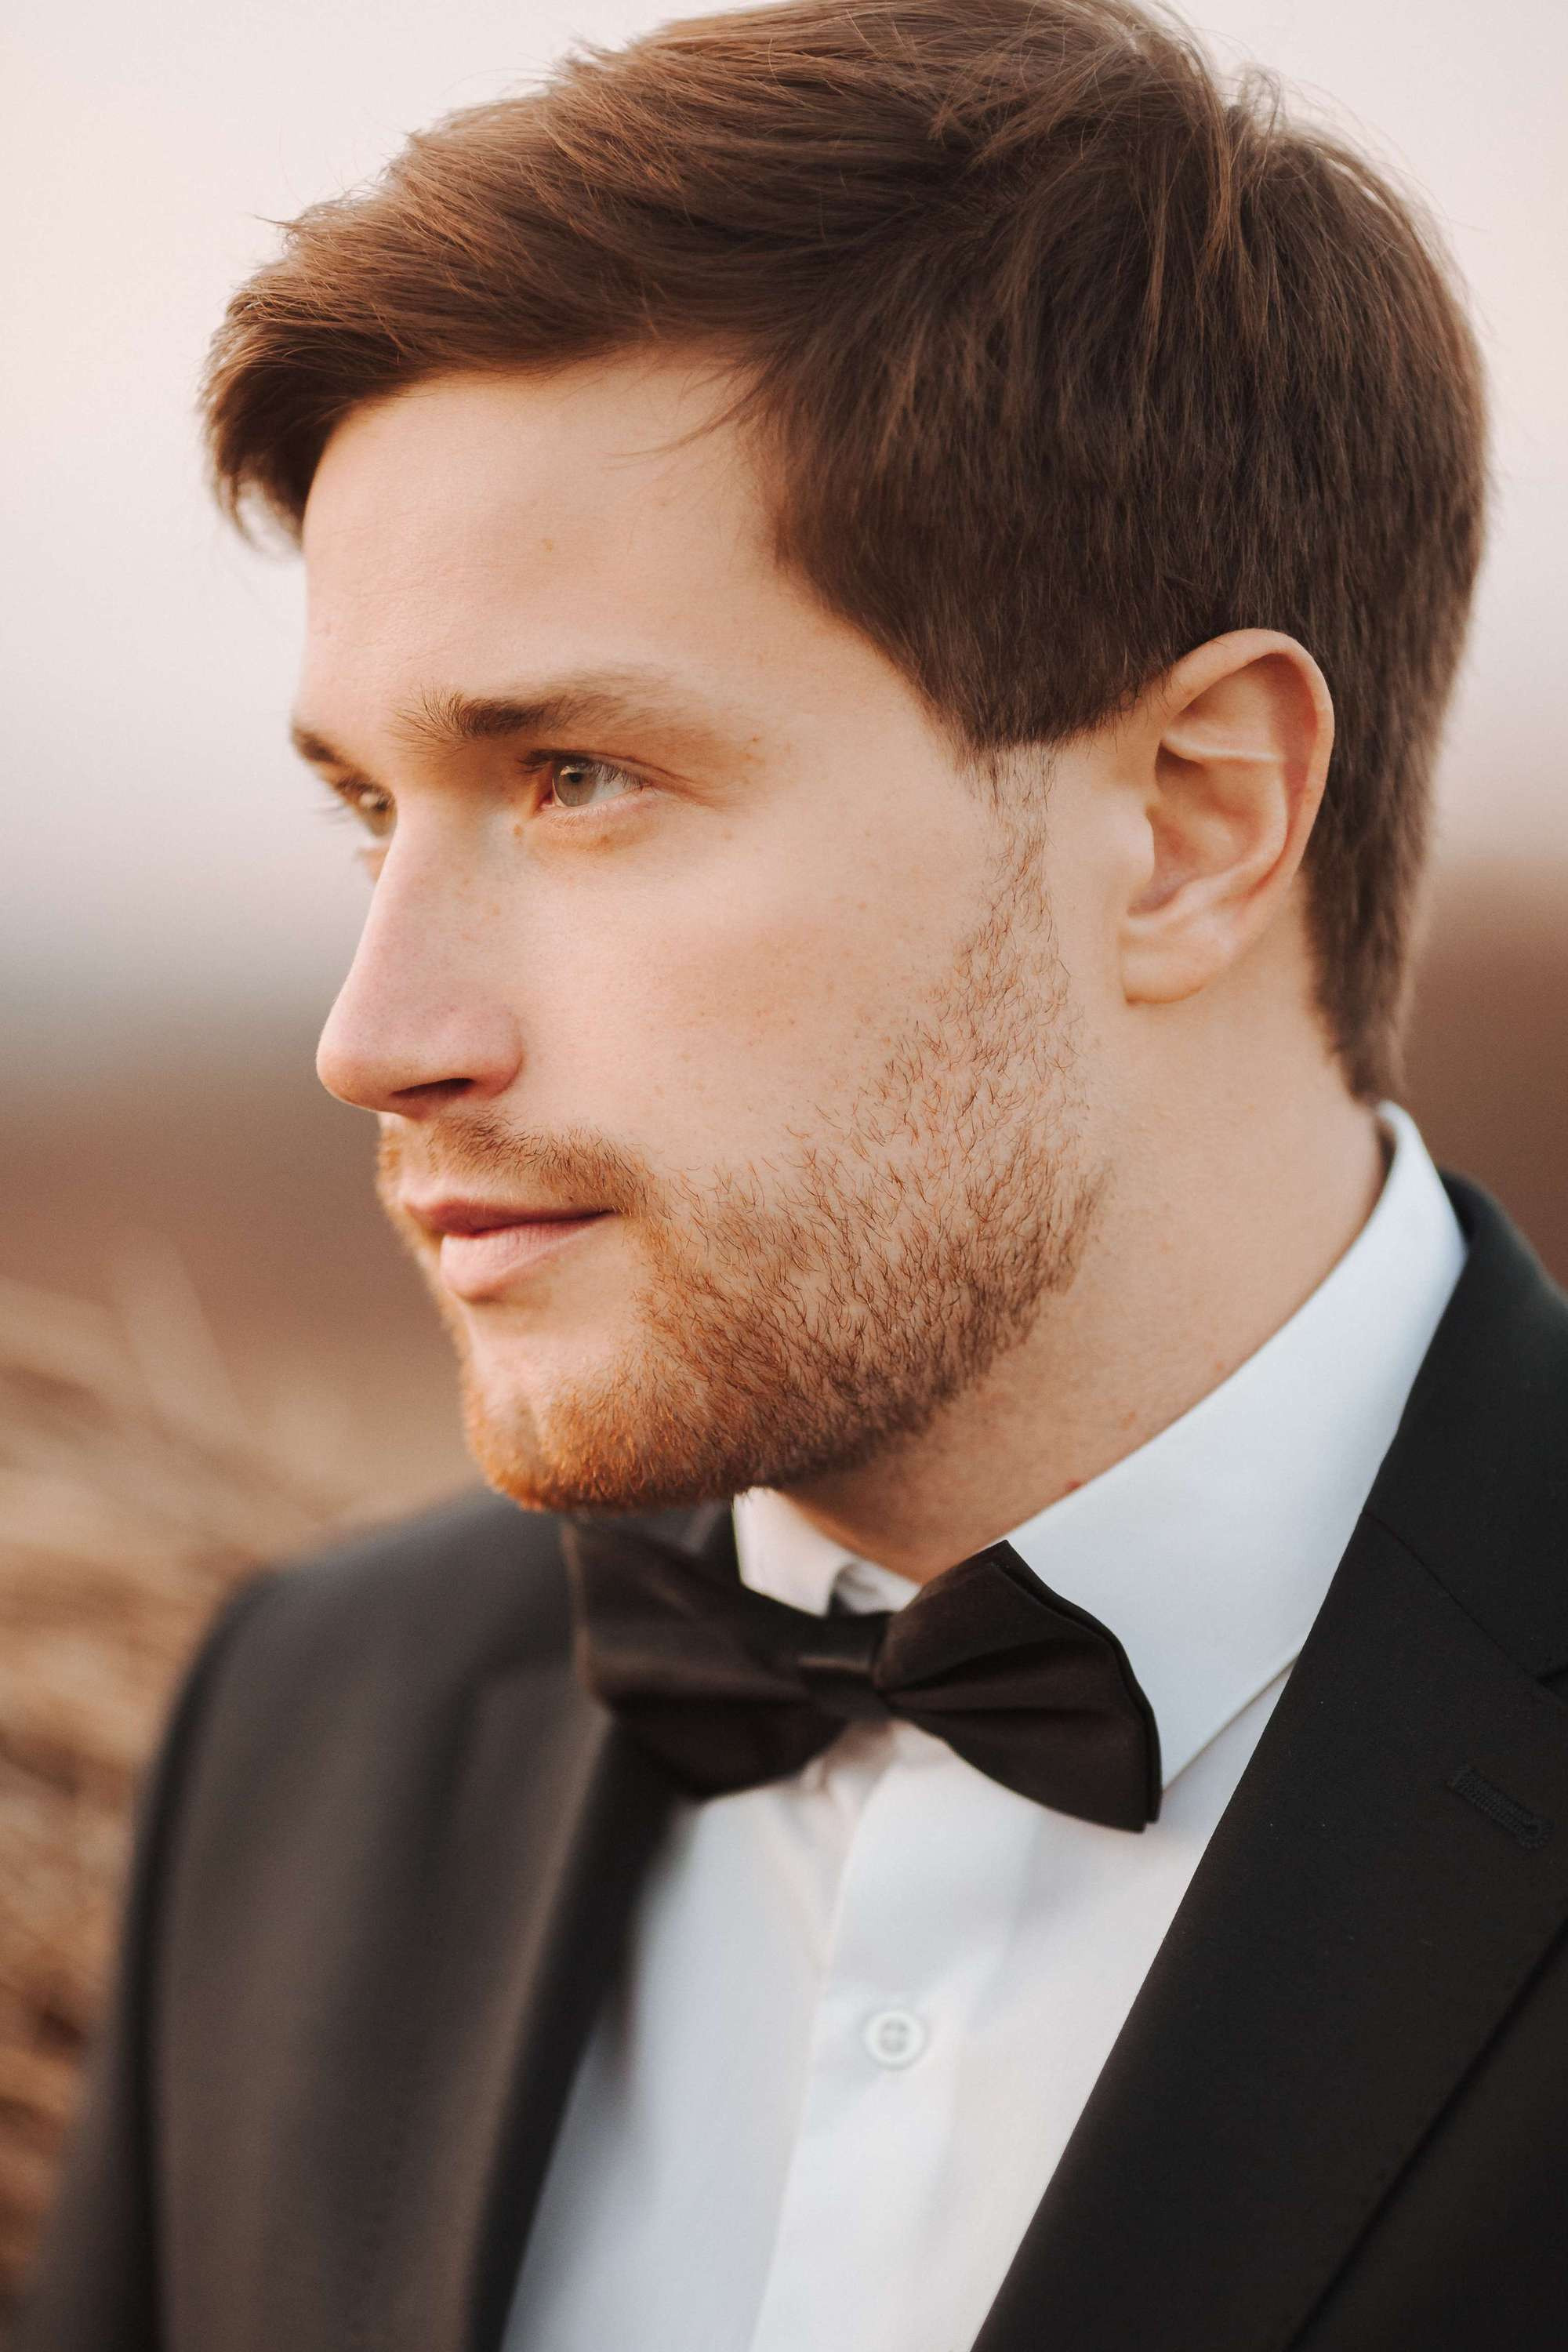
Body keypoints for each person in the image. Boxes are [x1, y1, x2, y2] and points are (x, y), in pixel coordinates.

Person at [21, 2, 1567, 2347]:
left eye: (576, 778)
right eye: (369, 808)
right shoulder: (306, 1727)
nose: (378, 1034)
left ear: (1193, 818)